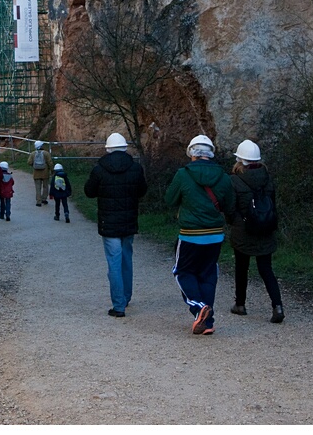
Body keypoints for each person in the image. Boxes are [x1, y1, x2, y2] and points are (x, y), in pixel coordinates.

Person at [164, 134, 235, 336]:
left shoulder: (183, 174)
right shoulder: (223, 176)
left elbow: (170, 200)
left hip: (190, 234)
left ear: (191, 153)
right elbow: (230, 206)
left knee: (183, 272)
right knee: (208, 274)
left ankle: (198, 308)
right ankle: (207, 322)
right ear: (210, 153)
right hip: (215, 235)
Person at [84, 132, 147, 318]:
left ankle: (118, 305)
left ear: (108, 149)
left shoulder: (99, 170)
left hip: (109, 223)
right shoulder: (135, 168)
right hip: (128, 221)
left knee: (114, 262)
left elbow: (89, 192)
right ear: (125, 148)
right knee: (127, 260)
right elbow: (142, 191)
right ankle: (126, 297)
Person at [227, 139, 284, 323]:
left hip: (243, 231)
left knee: (241, 268)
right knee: (266, 269)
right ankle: (278, 306)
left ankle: (240, 305)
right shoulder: (267, 178)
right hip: (265, 229)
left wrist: (235, 222)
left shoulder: (234, 180)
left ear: (240, 160)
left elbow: (230, 208)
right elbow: (273, 204)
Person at [27, 140, 53, 206]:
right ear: (41, 146)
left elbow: (29, 162)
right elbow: (50, 163)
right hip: (45, 172)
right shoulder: (46, 153)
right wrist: (52, 170)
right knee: (45, 186)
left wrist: (34, 165)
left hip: (36, 173)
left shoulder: (33, 154)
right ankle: (44, 199)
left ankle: (38, 201)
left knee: (38, 187)